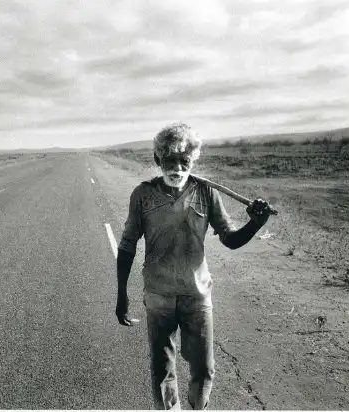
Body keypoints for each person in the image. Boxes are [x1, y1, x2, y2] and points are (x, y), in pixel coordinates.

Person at [115, 123, 272, 410]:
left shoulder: (207, 193)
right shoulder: (142, 195)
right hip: (158, 296)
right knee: (162, 370)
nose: (177, 168)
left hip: (197, 296)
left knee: (204, 369)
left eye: (184, 161)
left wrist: (255, 224)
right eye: (169, 160)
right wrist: (121, 294)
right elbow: (126, 246)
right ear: (157, 159)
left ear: (193, 160)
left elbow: (230, 239)